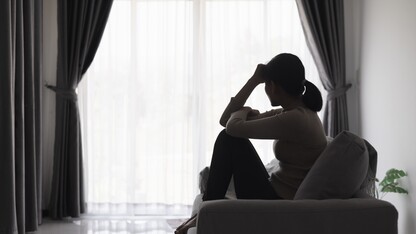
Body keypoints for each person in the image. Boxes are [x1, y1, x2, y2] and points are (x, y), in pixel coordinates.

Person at [175, 53, 327, 234]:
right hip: (275, 192)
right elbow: (226, 120)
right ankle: (204, 212)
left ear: (273, 86)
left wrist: (245, 109)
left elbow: (231, 128)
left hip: (277, 203)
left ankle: (205, 212)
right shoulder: (295, 112)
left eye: (265, 84)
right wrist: (254, 80)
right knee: (229, 137)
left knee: (228, 139)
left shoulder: (295, 119)